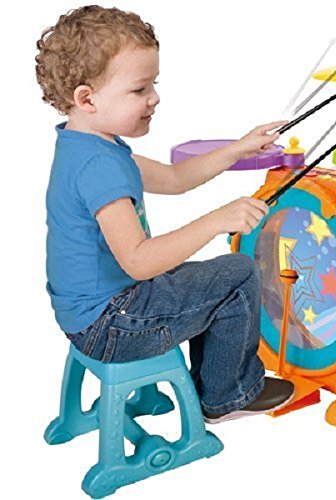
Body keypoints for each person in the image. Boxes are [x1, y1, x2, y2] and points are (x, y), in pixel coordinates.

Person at [35, 5, 294, 424]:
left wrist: (238, 148)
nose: (154, 97)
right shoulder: (100, 167)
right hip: (115, 325)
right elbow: (138, 262)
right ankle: (227, 395)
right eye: (140, 89)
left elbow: (175, 178)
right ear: (87, 98)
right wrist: (217, 220)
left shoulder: (86, 146)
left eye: (153, 84)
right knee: (239, 273)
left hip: (91, 317)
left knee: (208, 277)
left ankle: (210, 383)